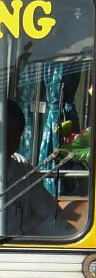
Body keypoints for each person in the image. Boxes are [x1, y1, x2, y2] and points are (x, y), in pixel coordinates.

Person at [2, 98, 75, 238]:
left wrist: (73, 242)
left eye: (12, 130)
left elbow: (47, 218)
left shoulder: (22, 167)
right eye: (1, 128)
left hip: (17, 254)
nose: (5, 136)